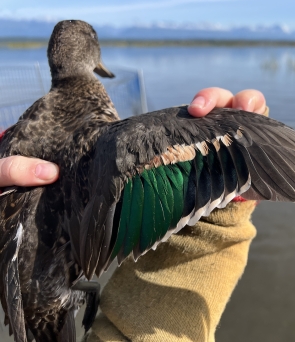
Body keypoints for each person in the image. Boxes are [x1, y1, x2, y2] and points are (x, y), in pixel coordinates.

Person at [0, 87, 267, 342]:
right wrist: (217, 209)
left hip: (34, 285)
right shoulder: (95, 133)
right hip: (46, 288)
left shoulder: (31, 126)